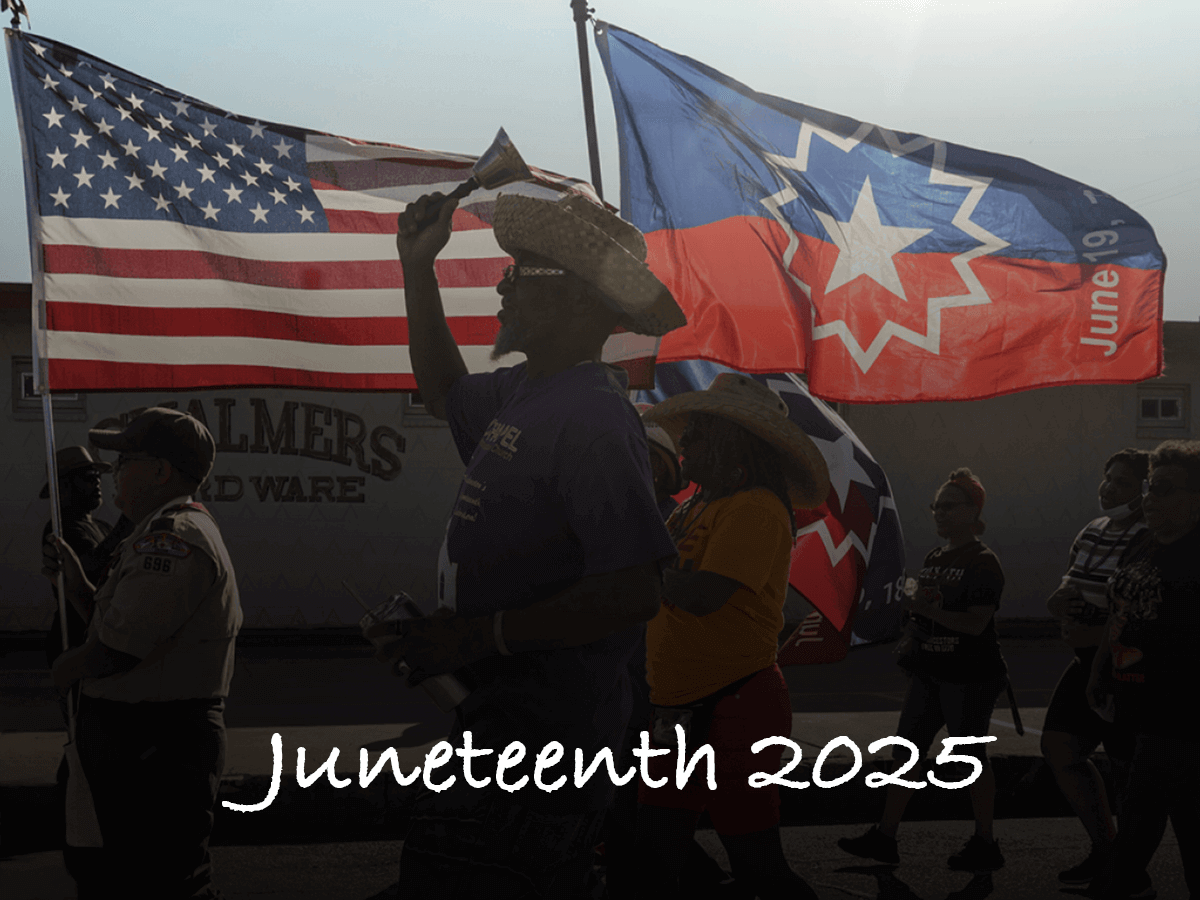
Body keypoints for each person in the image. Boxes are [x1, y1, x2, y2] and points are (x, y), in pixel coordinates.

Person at [370, 189, 684, 898]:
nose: (503, 286)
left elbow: (635, 589)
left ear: (581, 303)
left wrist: (478, 637)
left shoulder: (596, 420)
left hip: (545, 753)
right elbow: (444, 390)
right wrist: (417, 268)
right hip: (501, 732)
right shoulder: (526, 391)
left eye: (524, 275)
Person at [635, 373, 830, 900]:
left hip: (736, 704)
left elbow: (701, 595)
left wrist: (641, 573)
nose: (684, 443)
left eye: (697, 433)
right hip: (677, 704)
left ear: (729, 440)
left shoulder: (756, 508)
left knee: (757, 863)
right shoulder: (692, 506)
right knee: (656, 847)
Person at [43, 408, 241, 900]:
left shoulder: (173, 537)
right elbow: (124, 623)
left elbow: (116, 650)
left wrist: (63, 671)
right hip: (142, 741)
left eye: (124, 460)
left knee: (158, 881)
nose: (113, 474)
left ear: (160, 471)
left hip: (155, 746)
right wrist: (78, 587)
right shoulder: (154, 530)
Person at [839, 468, 1008, 872]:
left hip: (968, 676)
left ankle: (986, 842)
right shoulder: (935, 557)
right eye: (936, 506)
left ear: (973, 510)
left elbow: (975, 623)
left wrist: (922, 609)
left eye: (950, 506)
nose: (939, 513)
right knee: (906, 754)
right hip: (930, 672)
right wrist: (913, 634)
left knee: (970, 758)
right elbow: (928, 614)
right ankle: (885, 837)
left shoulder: (983, 562)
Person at [1086, 439, 1200, 900]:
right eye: (1151, 487)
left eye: (1166, 489)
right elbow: (1121, 615)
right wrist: (1098, 672)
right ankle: (1122, 882)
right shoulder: (1142, 542)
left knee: (1149, 821)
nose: (1151, 497)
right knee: (1147, 817)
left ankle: (1118, 883)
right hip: (1139, 709)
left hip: (1183, 719)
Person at [1042, 449, 1148, 887]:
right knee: (1060, 747)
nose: (1109, 488)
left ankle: (1131, 869)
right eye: (1108, 479)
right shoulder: (1093, 530)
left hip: (1124, 667)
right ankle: (1105, 849)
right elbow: (1066, 586)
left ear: (1143, 491)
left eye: (1122, 482)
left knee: (1130, 770)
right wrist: (1058, 605)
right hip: (1085, 661)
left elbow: (1135, 610)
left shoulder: (1147, 538)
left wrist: (1097, 633)